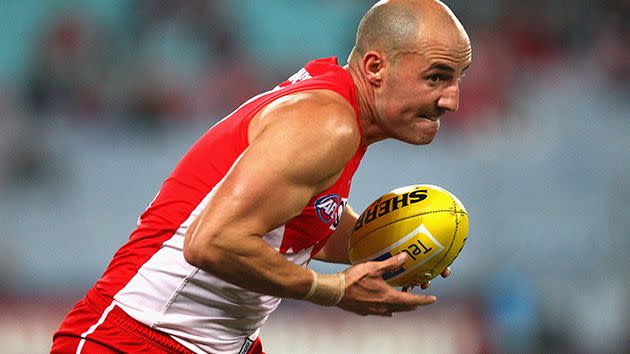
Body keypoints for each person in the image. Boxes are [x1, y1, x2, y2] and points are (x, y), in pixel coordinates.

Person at [51, 0, 472, 353]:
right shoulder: (327, 124)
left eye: (458, 79)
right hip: (137, 338)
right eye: (436, 77)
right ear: (376, 67)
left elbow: (299, 222)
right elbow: (211, 242)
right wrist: (334, 290)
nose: (452, 100)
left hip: (216, 342)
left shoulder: (338, 112)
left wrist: (393, 247)